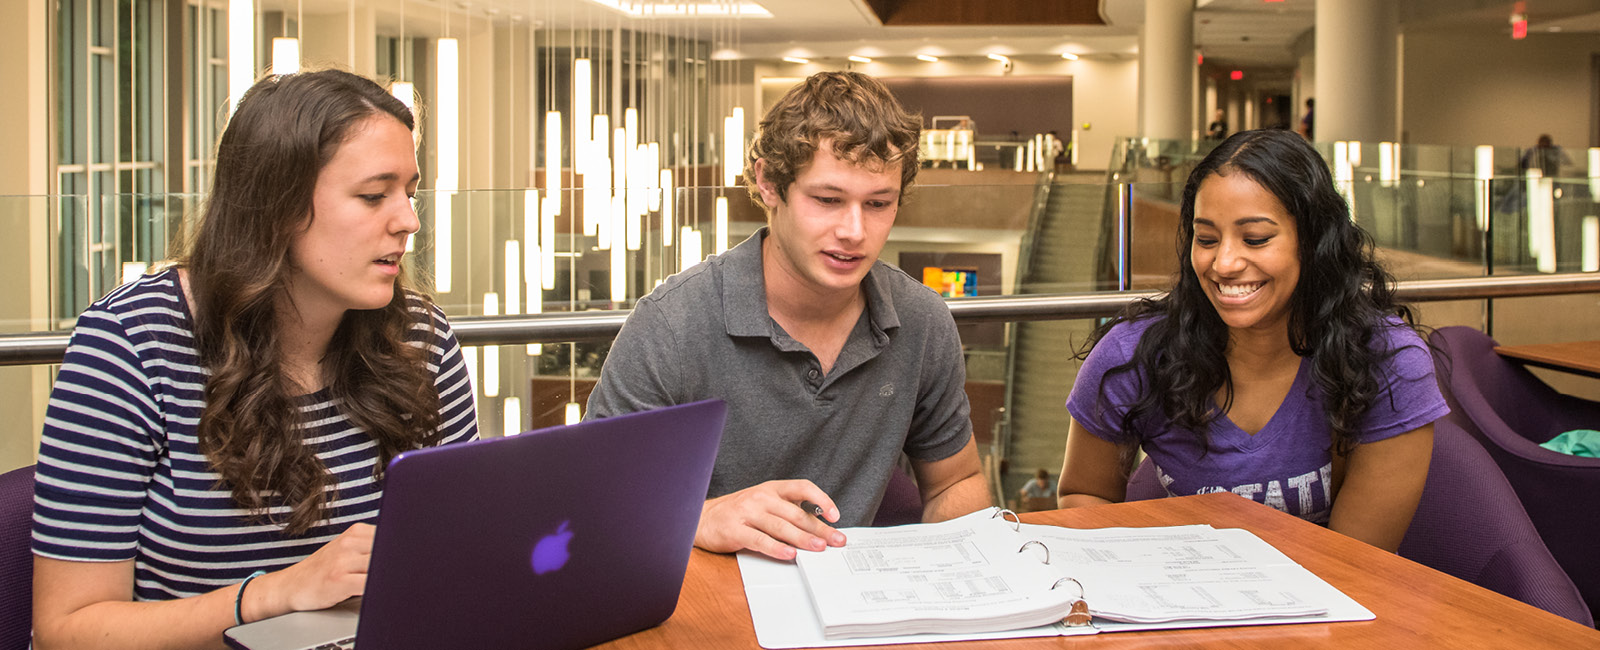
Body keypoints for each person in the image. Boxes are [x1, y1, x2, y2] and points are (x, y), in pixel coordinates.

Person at [31, 69, 480, 649]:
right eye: (374, 195)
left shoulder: (423, 339)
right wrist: (273, 595)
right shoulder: (130, 346)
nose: (408, 221)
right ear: (277, 205)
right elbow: (66, 632)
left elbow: (462, 562)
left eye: (409, 193)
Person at [585, 71, 991, 561]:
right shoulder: (672, 326)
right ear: (768, 183)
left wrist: (949, 582)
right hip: (706, 602)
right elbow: (593, 505)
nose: (854, 231)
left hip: (854, 604)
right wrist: (702, 515)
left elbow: (957, 481)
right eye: (827, 200)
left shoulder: (921, 320)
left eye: (879, 204)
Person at [1055, 129, 1447, 553]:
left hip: (1328, 605)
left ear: (1313, 243)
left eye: (1255, 239)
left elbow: (1355, 564)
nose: (1223, 263)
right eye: (1206, 239)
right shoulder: (1133, 354)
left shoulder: (1388, 360)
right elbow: (1083, 499)